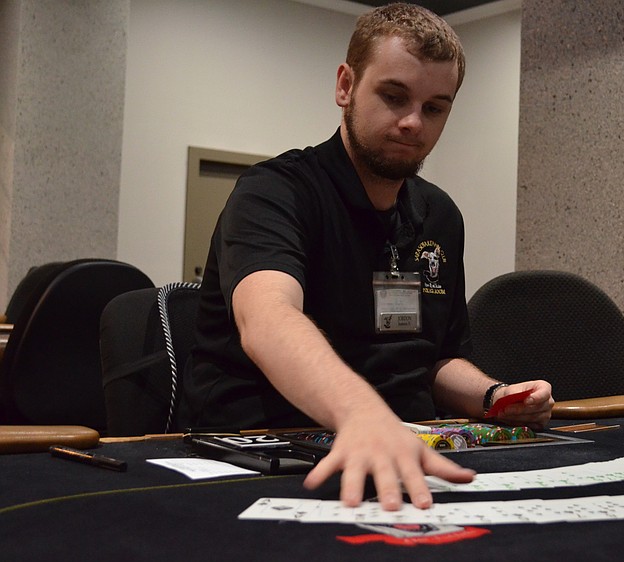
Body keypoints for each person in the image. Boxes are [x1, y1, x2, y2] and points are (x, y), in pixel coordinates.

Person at [179, 3, 553, 511]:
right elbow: (267, 318)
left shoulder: (440, 215)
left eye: (435, 107)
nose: (412, 123)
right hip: (269, 455)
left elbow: (436, 359)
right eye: (393, 96)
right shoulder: (274, 192)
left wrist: (493, 397)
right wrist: (362, 413)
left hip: (409, 449)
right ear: (345, 86)